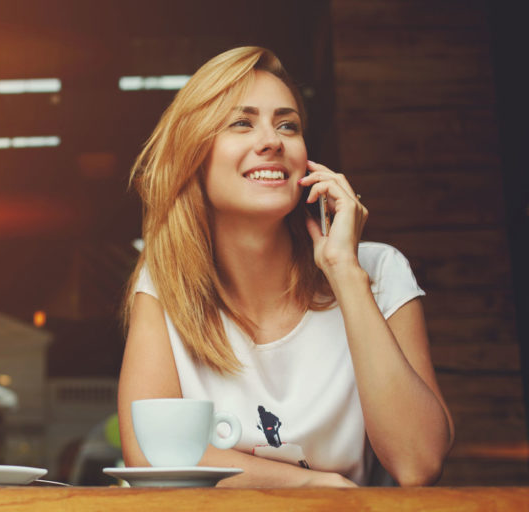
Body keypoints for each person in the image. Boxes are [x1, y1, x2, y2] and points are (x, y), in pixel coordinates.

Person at [117, 46, 453, 487]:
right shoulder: (165, 282)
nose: (272, 141)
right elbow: (149, 450)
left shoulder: (379, 269)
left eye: (287, 125)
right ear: (195, 154)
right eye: (242, 122)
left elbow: (418, 462)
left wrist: (346, 275)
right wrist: (313, 486)